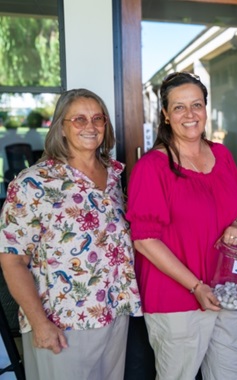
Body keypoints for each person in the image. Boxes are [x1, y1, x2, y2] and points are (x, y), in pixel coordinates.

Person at [0, 88, 142, 379]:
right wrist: (40, 323)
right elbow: (12, 260)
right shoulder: (33, 184)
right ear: (60, 128)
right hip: (62, 322)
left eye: (97, 118)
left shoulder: (114, 176)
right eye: (78, 119)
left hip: (115, 313)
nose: (90, 126)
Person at [126, 71, 237, 379]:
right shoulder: (152, 168)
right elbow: (144, 240)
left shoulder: (222, 155)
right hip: (177, 298)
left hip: (228, 290)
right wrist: (196, 286)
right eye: (179, 107)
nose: (190, 114)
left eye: (197, 105)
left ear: (206, 108)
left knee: (230, 373)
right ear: (165, 114)